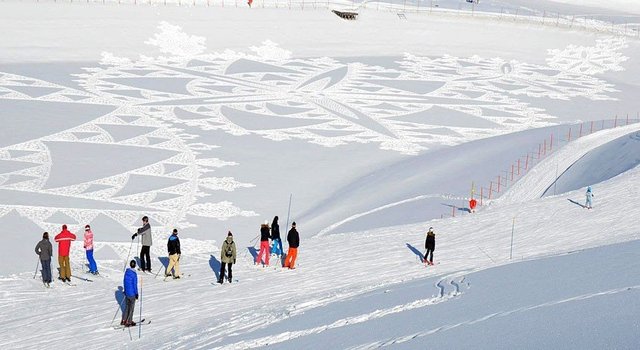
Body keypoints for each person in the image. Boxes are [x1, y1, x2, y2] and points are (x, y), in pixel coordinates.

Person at [122, 260, 139, 327]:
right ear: (135, 265)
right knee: (131, 308)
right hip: (132, 294)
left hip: (127, 293)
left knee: (127, 307)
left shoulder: (126, 272)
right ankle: (129, 321)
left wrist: (125, 291)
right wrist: (136, 293)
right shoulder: (134, 274)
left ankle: (124, 320)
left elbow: (124, 282)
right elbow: (135, 285)